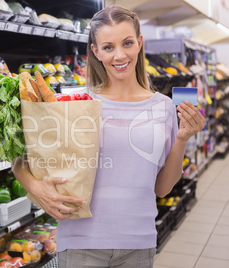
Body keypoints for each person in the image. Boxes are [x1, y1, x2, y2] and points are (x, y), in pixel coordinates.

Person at [12, 5, 205, 268]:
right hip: (81, 243)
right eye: (108, 47)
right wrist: (36, 188)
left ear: (139, 43)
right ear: (96, 52)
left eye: (127, 43)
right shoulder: (75, 102)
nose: (119, 55)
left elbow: (162, 188)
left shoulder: (163, 107)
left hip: (138, 243)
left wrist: (182, 138)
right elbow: (20, 157)